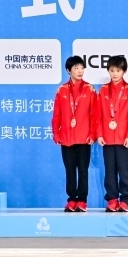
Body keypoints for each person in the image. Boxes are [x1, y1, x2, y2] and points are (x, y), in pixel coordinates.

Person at [51, 56, 96, 212]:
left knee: (83, 170)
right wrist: (56, 133)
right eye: (76, 68)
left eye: (82, 68)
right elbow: (57, 114)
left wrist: (93, 134)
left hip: (84, 138)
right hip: (66, 137)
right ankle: (71, 199)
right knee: (69, 170)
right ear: (68, 71)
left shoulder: (89, 89)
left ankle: (82, 200)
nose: (80, 71)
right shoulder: (62, 90)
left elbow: (94, 114)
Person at [94, 55, 128, 212]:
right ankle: (112, 199)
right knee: (110, 171)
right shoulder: (103, 90)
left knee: (124, 172)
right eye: (112, 70)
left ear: (124, 71)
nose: (114, 74)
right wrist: (99, 134)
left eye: (118, 70)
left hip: (124, 138)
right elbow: (97, 114)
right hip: (107, 138)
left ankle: (125, 199)